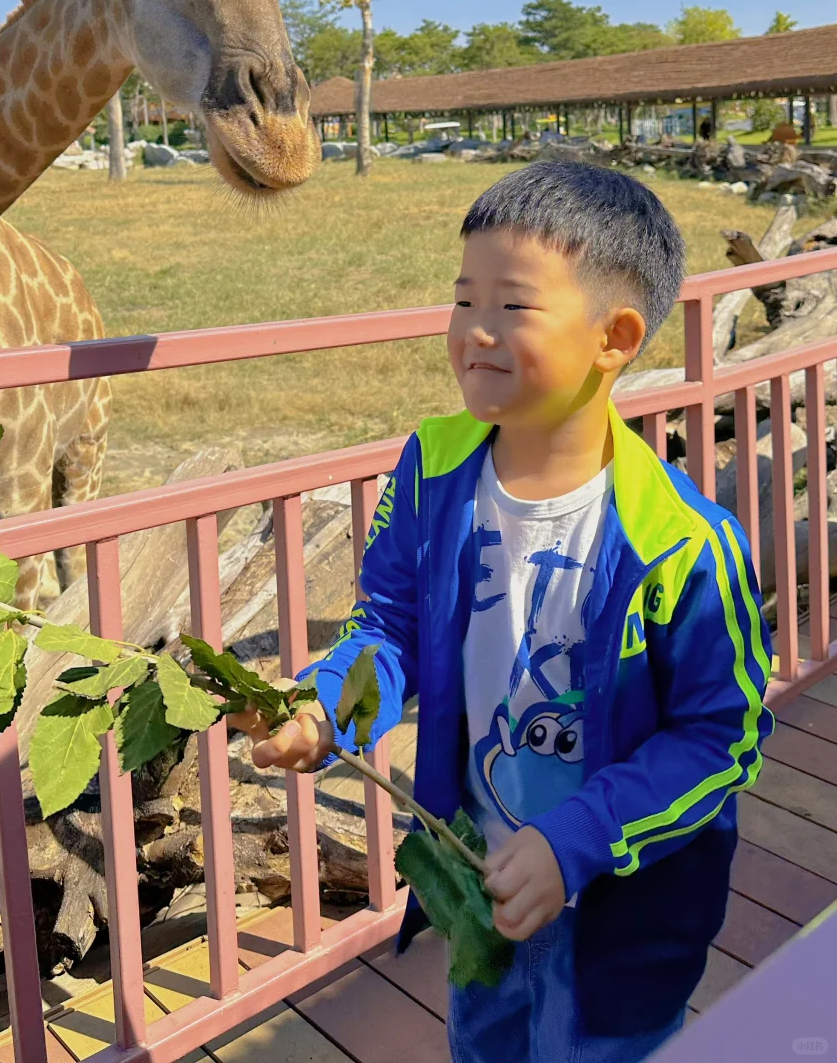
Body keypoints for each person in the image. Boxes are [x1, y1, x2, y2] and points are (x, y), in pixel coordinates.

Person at [237, 161, 773, 1063]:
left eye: (513, 307)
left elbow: (722, 738)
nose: (473, 333)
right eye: (461, 301)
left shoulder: (683, 544)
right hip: (477, 879)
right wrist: (328, 704)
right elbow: (390, 625)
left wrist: (577, 842)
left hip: (620, 914)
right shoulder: (435, 469)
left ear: (617, 337)